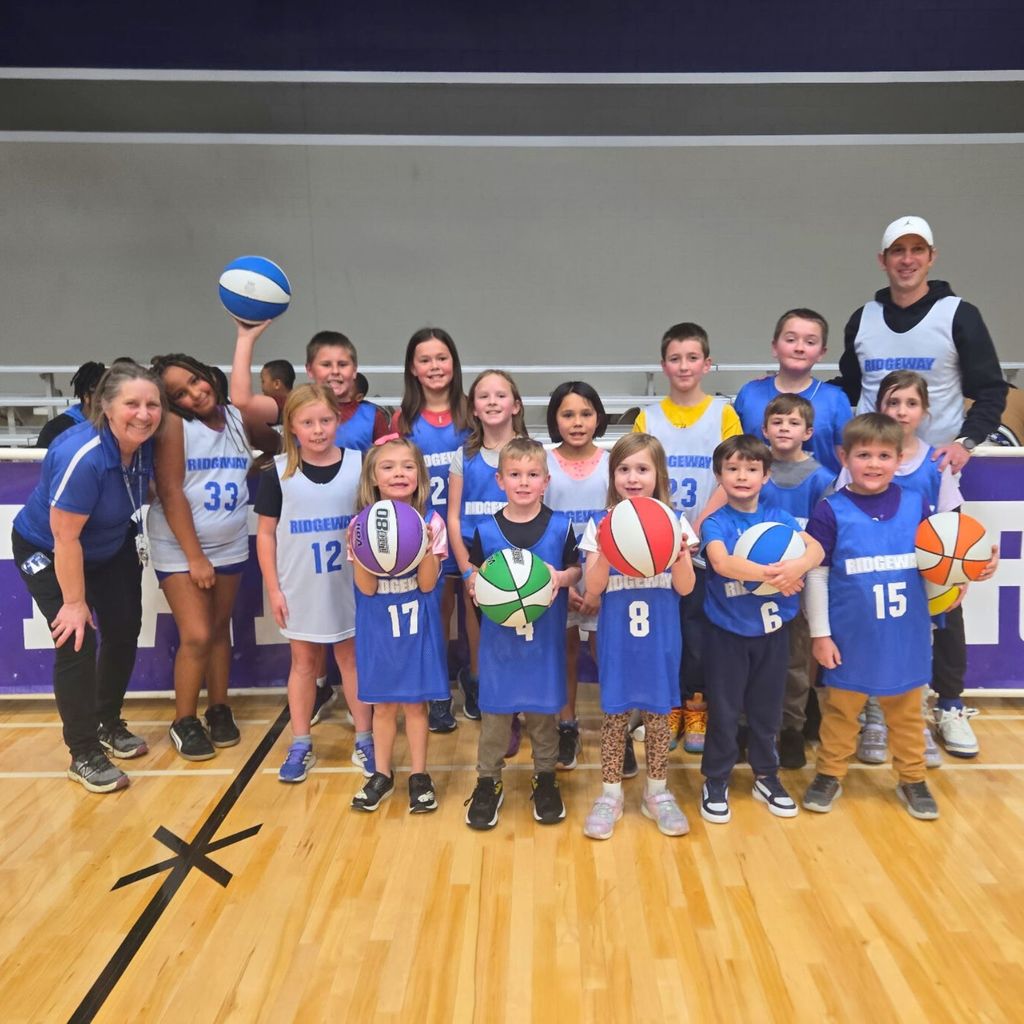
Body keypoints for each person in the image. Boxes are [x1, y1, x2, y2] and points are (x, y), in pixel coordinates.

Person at [839, 215, 1008, 756]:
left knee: (943, 595)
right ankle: (873, 707)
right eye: (897, 251)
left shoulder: (959, 315)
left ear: (931, 256)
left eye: (917, 250)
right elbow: (847, 387)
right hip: (872, 476)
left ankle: (950, 703)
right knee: (868, 592)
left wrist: (966, 442)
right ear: (882, 260)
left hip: (931, 476)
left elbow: (989, 388)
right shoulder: (862, 319)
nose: (907, 259)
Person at [802, 415, 998, 819]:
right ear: (844, 457)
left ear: (899, 459)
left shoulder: (916, 504)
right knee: (840, 714)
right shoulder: (830, 510)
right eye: (863, 455)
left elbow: (937, 564)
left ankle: (912, 778)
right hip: (850, 636)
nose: (874, 463)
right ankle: (829, 773)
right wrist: (820, 634)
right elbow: (816, 575)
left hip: (906, 634)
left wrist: (969, 571)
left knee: (908, 716)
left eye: (884, 455)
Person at [13, 362, 165, 792]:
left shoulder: (148, 442)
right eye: (131, 404)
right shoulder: (83, 456)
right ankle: (83, 753)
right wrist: (75, 603)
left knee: (123, 629)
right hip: (49, 547)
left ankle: (108, 722)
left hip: (110, 542)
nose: (143, 413)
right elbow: (65, 537)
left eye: (152, 404)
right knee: (77, 638)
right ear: (106, 407)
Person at [148, 353, 279, 760]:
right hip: (180, 547)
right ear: (172, 403)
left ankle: (218, 709)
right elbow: (170, 491)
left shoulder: (237, 419)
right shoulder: (174, 426)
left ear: (207, 373)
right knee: (198, 635)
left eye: (194, 381)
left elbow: (274, 448)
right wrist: (195, 557)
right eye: (179, 394)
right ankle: (183, 720)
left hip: (230, 541)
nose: (194, 393)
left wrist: (257, 469)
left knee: (221, 629)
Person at [834, 371, 960, 768]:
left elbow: (953, 528)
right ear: (879, 407)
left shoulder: (937, 463)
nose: (901, 411)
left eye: (910, 403)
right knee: (869, 644)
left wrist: (962, 569)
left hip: (915, 576)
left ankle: (914, 721)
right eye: (893, 402)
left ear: (925, 411)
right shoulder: (856, 466)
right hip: (867, 573)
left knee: (914, 650)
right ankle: (873, 717)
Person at [699, 435, 824, 824]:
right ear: (719, 475)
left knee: (767, 710)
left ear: (766, 475)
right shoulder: (716, 522)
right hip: (727, 632)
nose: (742, 476)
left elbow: (816, 549)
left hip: (773, 632)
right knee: (724, 710)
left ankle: (766, 776)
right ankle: (716, 779)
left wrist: (796, 569)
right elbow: (721, 564)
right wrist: (773, 577)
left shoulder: (780, 519)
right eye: (732, 469)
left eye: (752, 469)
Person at [254, 384, 374, 783]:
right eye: (308, 422)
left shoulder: (361, 465)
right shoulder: (277, 471)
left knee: (352, 661)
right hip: (300, 583)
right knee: (304, 664)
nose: (318, 429)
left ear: (338, 420)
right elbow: (267, 535)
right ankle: (301, 741)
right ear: (292, 425)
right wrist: (273, 588)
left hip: (350, 583)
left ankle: (366, 737)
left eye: (325, 420)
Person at [578, 433, 696, 840]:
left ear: (658, 475)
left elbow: (685, 587)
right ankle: (610, 795)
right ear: (612, 477)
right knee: (614, 717)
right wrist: (609, 548)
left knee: (659, 718)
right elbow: (592, 588)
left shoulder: (674, 521)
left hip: (661, 638)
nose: (632, 477)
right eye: (623, 469)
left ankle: (657, 794)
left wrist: (679, 553)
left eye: (642, 469)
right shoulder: (602, 524)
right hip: (618, 640)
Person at [633, 322, 742, 754]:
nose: (683, 365)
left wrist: (699, 528)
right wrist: (665, 531)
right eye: (675, 358)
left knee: (699, 631)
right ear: (663, 365)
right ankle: (667, 704)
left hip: (706, 538)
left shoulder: (723, 413)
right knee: (664, 629)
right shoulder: (648, 416)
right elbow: (642, 477)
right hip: (661, 543)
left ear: (707, 364)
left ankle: (696, 704)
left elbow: (730, 474)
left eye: (692, 357)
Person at [463, 437, 581, 831]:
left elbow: (574, 569)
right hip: (500, 647)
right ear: (500, 480)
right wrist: (474, 581)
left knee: (543, 715)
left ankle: (545, 778)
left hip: (543, 644)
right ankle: (487, 781)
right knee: (495, 715)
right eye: (515, 475)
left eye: (533, 475)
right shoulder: (485, 530)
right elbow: (474, 572)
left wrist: (561, 577)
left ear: (546, 481)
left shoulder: (562, 527)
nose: (524, 482)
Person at [349, 436, 448, 813]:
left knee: (416, 706)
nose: (399, 473)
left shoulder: (430, 521)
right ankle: (382, 773)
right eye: (388, 467)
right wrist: (361, 550)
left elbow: (427, 584)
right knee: (383, 707)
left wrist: (421, 541)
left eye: (408, 466)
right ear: (373, 477)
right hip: (377, 623)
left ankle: (419, 775)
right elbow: (366, 588)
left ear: (419, 475)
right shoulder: (360, 524)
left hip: (416, 621)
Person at [392, 328, 473, 727]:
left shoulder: (472, 411)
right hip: (428, 532)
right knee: (437, 613)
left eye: (442, 357)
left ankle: (475, 682)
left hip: (472, 525)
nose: (434, 366)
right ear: (413, 367)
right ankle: (439, 691)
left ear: (454, 363)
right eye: (425, 359)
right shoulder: (403, 418)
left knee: (478, 609)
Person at [446, 369, 528, 744]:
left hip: (523, 562)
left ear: (516, 404)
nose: (492, 402)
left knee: (522, 639)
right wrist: (467, 572)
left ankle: (526, 706)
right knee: (488, 642)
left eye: (500, 395)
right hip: (479, 566)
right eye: (484, 396)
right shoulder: (464, 456)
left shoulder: (531, 453)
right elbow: (453, 517)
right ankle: (498, 710)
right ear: (474, 408)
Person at [759, 394, 835, 769]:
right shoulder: (755, 471)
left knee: (794, 661)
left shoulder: (822, 478)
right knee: (753, 660)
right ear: (764, 429)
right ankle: (750, 725)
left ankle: (792, 729)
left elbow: (824, 540)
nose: (784, 428)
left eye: (792, 423)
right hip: (754, 587)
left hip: (799, 587)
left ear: (808, 432)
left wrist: (798, 573)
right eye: (777, 422)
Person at [543, 381, 610, 771]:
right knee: (566, 650)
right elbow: (541, 526)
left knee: (607, 652)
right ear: (555, 419)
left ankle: (613, 723)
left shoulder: (612, 461)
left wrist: (597, 586)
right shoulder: (544, 462)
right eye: (568, 414)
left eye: (585, 413)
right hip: (561, 574)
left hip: (604, 574)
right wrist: (563, 583)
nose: (577, 422)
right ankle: (567, 724)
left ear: (598, 416)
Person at [734, 309, 850, 474]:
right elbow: (733, 454)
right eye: (790, 339)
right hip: (756, 498)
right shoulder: (750, 394)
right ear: (775, 347)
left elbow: (847, 464)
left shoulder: (835, 400)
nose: (799, 348)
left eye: (810, 342)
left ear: (821, 353)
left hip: (819, 498)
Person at [35, 361, 107, 449]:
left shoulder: (114, 425)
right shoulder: (55, 430)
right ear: (86, 396)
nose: (109, 401)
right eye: (102, 394)